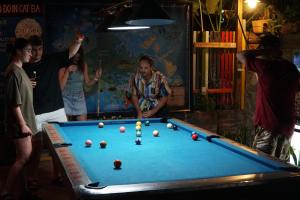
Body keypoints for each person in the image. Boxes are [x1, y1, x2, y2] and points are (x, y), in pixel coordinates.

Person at [23, 32, 84, 188]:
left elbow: (70, 52)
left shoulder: (51, 60)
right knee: (35, 148)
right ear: (29, 50)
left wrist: (77, 41)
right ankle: (32, 178)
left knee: (60, 147)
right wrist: (27, 84)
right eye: (34, 50)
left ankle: (59, 176)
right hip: (35, 113)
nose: (37, 53)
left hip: (56, 110)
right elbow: (18, 90)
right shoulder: (23, 66)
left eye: (40, 49)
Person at [237, 34, 300, 162]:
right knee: (280, 167)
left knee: (260, 168)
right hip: (287, 128)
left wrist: (264, 51)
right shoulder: (292, 68)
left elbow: (240, 55)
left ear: (266, 49)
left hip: (268, 126)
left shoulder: (265, 67)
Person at [1, 38, 37, 200]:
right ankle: (6, 192)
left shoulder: (19, 70)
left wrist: (28, 84)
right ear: (18, 51)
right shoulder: (14, 71)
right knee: (23, 158)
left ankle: (23, 193)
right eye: (28, 50)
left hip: (25, 121)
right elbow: (14, 103)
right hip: (20, 124)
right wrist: (23, 125)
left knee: (23, 158)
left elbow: (19, 91)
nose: (31, 53)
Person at [58, 47, 102, 121]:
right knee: (65, 125)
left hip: (79, 99)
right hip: (66, 99)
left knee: (83, 124)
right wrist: (68, 71)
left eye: (78, 57)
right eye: (75, 56)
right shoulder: (63, 67)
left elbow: (88, 83)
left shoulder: (83, 65)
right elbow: (61, 87)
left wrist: (96, 77)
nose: (76, 59)